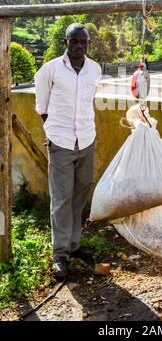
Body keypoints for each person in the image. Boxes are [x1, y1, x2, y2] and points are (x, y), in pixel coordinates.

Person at [34, 23, 102, 279]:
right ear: (66, 41)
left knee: (81, 191)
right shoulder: (50, 70)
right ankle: (60, 253)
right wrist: (53, 133)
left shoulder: (94, 69)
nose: (79, 47)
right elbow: (42, 106)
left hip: (86, 139)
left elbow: (88, 103)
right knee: (61, 198)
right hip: (61, 141)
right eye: (74, 42)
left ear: (87, 44)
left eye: (83, 42)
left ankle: (74, 244)